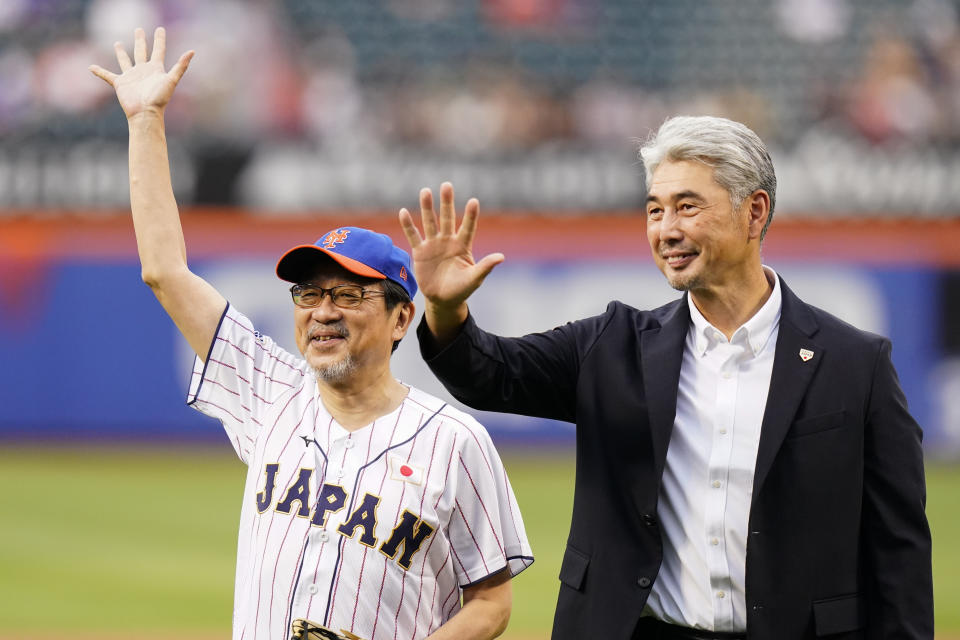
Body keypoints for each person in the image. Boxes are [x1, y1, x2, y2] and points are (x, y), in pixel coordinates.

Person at [400, 117, 934, 639]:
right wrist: (446, 311)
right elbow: (489, 375)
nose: (666, 229)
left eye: (687, 206)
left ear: (755, 212)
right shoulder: (612, 345)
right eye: (655, 210)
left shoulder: (855, 363)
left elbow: (898, 547)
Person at [89, 27, 532, 640]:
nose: (323, 311)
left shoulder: (456, 442)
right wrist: (145, 120)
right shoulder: (270, 391)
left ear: (401, 318)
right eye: (308, 293)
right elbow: (164, 272)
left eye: (349, 295)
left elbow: (491, 602)